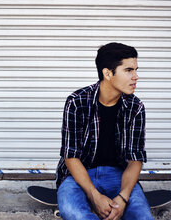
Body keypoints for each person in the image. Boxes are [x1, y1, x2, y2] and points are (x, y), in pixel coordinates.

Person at [56, 42, 153, 220]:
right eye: (128, 70)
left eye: (136, 69)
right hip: (78, 176)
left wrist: (123, 198)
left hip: (118, 176)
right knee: (74, 213)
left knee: (143, 216)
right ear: (107, 73)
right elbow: (71, 157)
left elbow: (135, 159)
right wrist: (94, 196)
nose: (136, 76)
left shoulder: (135, 107)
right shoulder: (77, 102)